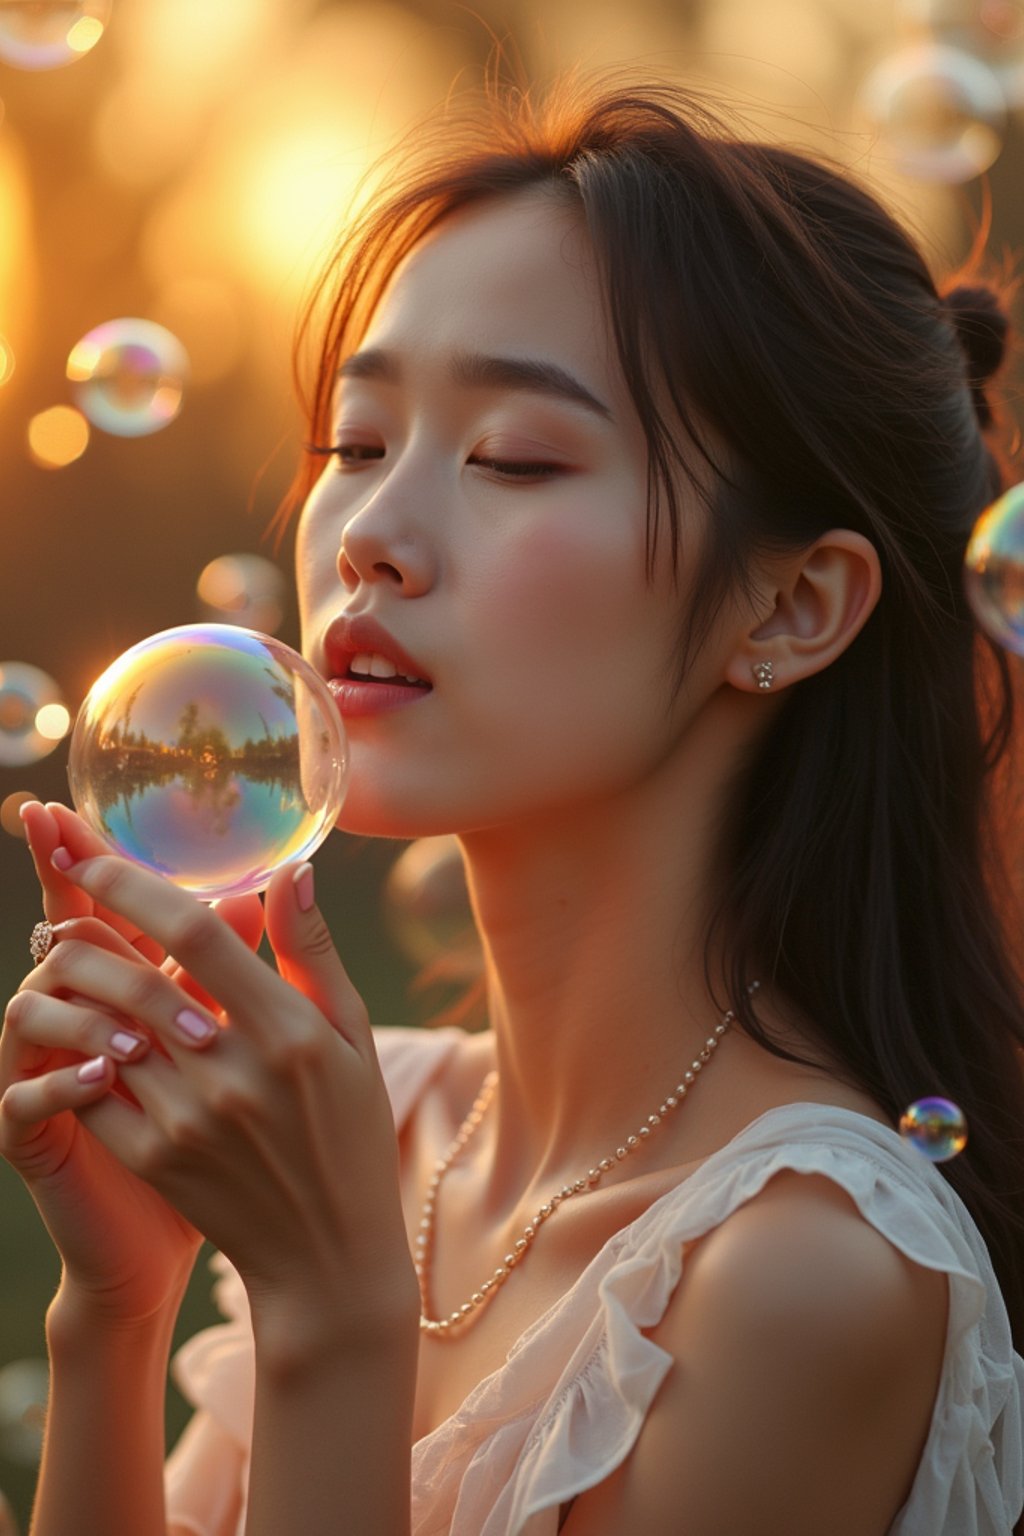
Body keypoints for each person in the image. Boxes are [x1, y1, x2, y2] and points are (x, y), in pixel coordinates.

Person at [2, 69, 1024, 1536]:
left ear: (793, 607)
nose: (373, 540)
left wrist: (337, 1310)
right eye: (355, 446)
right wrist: (113, 1309)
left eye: (514, 458)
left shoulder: (805, 1274)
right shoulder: (390, 1127)